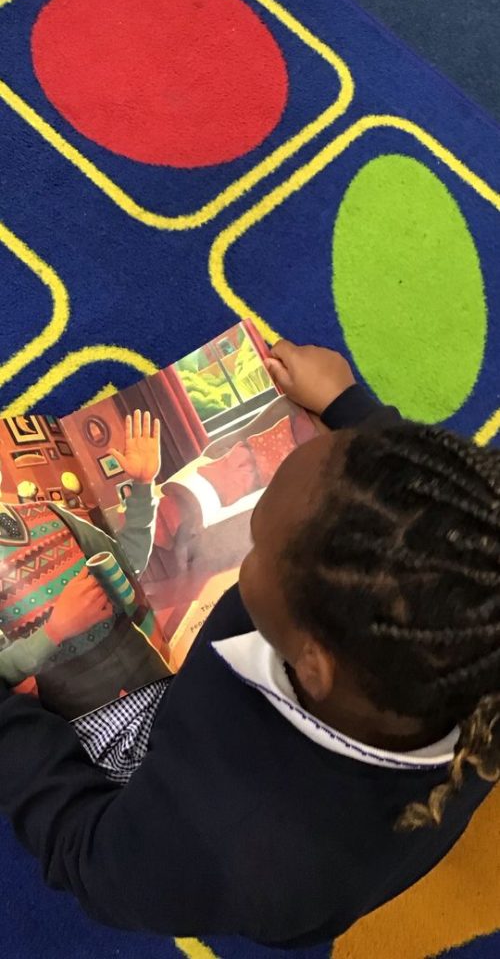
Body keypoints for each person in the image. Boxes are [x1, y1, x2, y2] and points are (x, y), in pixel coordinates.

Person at [0, 341, 498, 947]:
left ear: (311, 664)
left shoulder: (219, 849)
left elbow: (87, 856)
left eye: (257, 544)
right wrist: (352, 410)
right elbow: (455, 524)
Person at [0, 410, 167, 719]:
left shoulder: (49, 512)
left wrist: (143, 486)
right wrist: (53, 631)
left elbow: (129, 566)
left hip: (140, 656)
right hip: (73, 698)